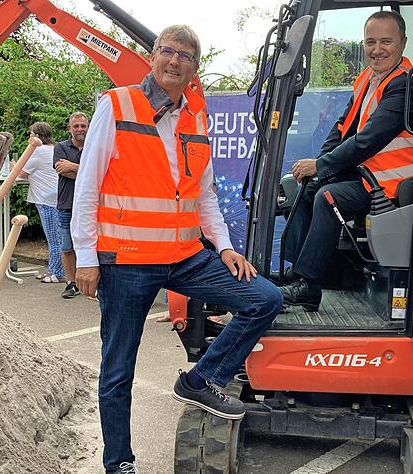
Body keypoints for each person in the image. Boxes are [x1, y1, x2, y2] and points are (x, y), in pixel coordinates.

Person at [72, 25, 282, 474]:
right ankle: (119, 463)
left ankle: (201, 378)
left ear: (194, 68)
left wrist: (224, 247)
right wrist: (86, 257)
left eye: (184, 55)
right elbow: (87, 187)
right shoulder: (117, 105)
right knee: (118, 369)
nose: (174, 61)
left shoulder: (196, 118)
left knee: (264, 298)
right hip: (125, 261)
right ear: (152, 56)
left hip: (186, 256)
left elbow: (203, 196)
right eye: (167, 51)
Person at [278, 11, 413, 311]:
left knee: (328, 197)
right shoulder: (369, 79)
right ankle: (299, 273)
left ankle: (308, 284)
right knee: (303, 188)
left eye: (386, 41)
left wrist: (322, 167)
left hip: (390, 184)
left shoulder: (407, 86)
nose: (377, 49)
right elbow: (344, 126)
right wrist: (319, 166)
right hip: (368, 176)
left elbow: (368, 139)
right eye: (371, 42)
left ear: (403, 43)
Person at [19, 122, 64, 283]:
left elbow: (21, 172)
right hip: (55, 196)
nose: (29, 137)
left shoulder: (37, 151)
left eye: (31, 134)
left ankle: (58, 272)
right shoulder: (54, 149)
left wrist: (12, 165)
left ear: (37, 136)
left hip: (46, 198)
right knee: (55, 236)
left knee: (53, 237)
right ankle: (52, 269)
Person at [54, 111, 88, 298]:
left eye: (83, 126)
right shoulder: (60, 147)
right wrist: (86, 171)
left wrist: (73, 167)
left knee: (92, 245)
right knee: (68, 247)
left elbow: (97, 173)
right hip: (67, 204)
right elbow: (62, 170)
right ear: (69, 128)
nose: (80, 129)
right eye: (76, 126)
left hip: (90, 206)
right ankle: (71, 283)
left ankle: (91, 283)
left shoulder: (94, 146)